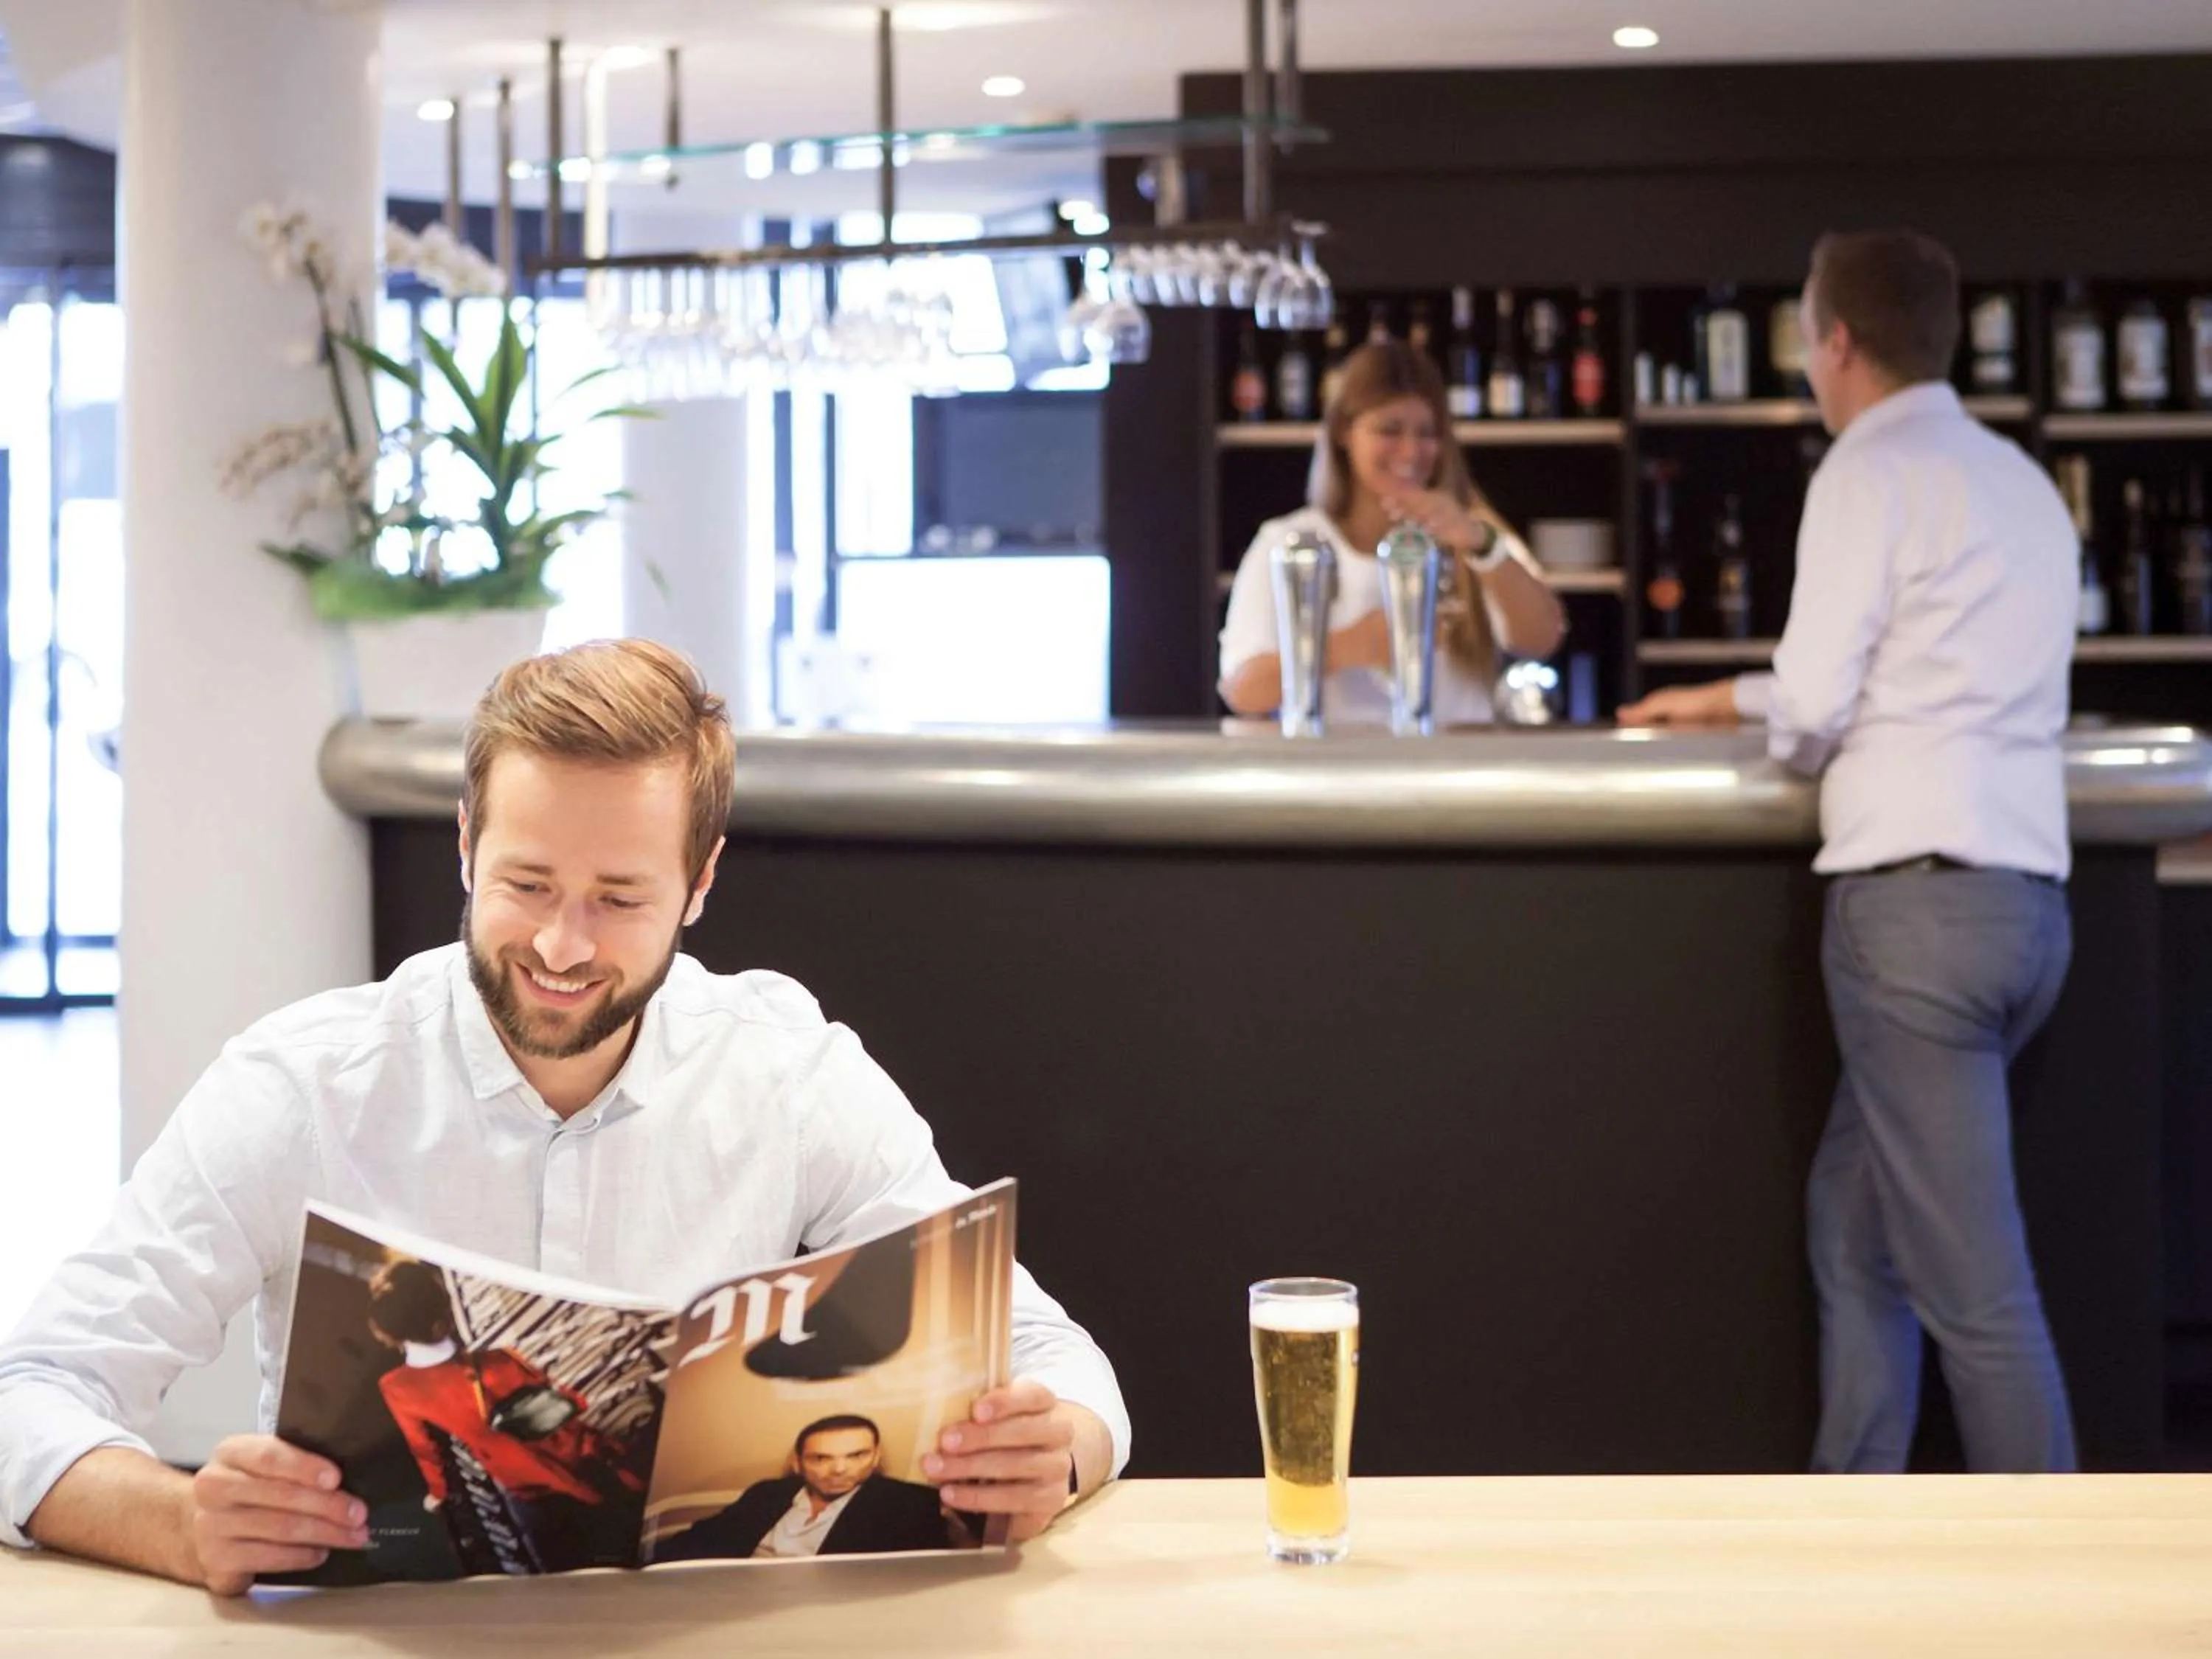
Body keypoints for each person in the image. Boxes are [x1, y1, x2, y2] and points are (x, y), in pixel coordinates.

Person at [0, 639, 1129, 1593]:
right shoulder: (305, 1084)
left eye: (621, 898)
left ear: (700, 884)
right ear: (464, 843)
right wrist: (186, 1520)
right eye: (526, 883)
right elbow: (29, 1390)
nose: (562, 945)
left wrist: (1054, 1449)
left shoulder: (789, 1074)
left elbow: (1057, 1360)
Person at [1619, 229, 2079, 1473]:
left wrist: (1737, 703)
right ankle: (1854, 1510)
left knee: (1983, 1303)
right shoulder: (2023, 484)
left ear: (1833, 341)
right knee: (1855, 1228)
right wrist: (1725, 694)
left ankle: (2071, 1600)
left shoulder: (1866, 475)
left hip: (1915, 917)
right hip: (2030, 911)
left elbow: (1816, 706)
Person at [1217, 340, 1566, 725]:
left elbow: (1542, 637)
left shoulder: (1472, 534)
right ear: (1344, 433)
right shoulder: (1292, 542)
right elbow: (1243, 690)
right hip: (1337, 775)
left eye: (1427, 433)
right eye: (1390, 430)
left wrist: (1481, 544)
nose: (1410, 451)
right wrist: (1349, 646)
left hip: (1458, 774)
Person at [365, 1258, 644, 1573]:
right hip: (571, 1464)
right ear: (443, 1319)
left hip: (516, 1479)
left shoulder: (397, 1388)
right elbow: (564, 1409)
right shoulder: (501, 1363)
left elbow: (426, 1451)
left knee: (554, 1555)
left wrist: (439, 1494)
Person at [653, 1414, 951, 1563]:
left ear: (876, 1458)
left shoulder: (910, 1503)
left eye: (856, 1455)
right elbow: (702, 1539)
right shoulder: (767, 1494)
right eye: (822, 1458)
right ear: (797, 1463)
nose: (839, 1469)